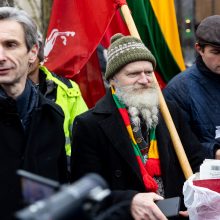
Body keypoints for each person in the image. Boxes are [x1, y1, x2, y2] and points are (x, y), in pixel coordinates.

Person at [71, 33, 205, 219]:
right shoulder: (89, 124)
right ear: (112, 80)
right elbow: (87, 192)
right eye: (133, 74)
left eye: (149, 72)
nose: (144, 80)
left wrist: (198, 195)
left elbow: (196, 158)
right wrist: (130, 201)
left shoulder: (169, 111)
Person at [0, 7, 68, 219]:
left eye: (11, 45)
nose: (0, 57)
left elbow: (59, 189)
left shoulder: (52, 116)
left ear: (32, 52)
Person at [163, 15, 220, 159]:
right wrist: (214, 153)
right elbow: (176, 144)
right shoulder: (177, 90)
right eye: (216, 52)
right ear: (199, 49)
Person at [28, 32, 88, 160]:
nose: (27, 57)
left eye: (30, 51)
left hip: (66, 171)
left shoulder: (68, 88)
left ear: (38, 52)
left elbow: (86, 135)